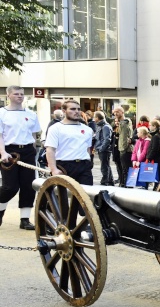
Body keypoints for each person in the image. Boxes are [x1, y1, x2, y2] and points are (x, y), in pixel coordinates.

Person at [0, 85, 42, 229]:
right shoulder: (2, 113)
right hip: (9, 151)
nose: (20, 96)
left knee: (28, 186)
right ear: (8, 96)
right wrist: (2, 152)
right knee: (10, 187)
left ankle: (24, 220)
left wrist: (35, 150)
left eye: (22, 94)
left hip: (28, 151)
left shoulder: (31, 114)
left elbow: (34, 134)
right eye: (16, 94)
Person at [45, 100, 95, 184]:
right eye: (72, 109)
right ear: (64, 111)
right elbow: (50, 150)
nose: (76, 112)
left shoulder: (87, 129)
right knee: (62, 195)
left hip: (84, 165)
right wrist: (54, 169)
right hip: (64, 165)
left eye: (78, 109)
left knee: (85, 194)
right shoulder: (55, 128)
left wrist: (88, 163)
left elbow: (87, 149)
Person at [93, 111, 114, 186]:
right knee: (106, 165)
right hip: (101, 148)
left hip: (104, 150)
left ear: (97, 118)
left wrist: (101, 148)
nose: (93, 119)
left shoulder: (106, 126)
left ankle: (105, 181)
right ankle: (110, 180)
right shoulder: (99, 126)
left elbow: (107, 139)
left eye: (94, 117)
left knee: (104, 166)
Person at [113, 106, 133, 187]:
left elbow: (125, 135)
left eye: (117, 111)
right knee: (119, 166)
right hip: (116, 147)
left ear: (122, 112)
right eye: (114, 112)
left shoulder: (126, 121)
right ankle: (121, 182)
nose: (115, 113)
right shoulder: (116, 123)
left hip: (124, 148)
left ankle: (127, 184)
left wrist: (124, 149)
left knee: (125, 168)